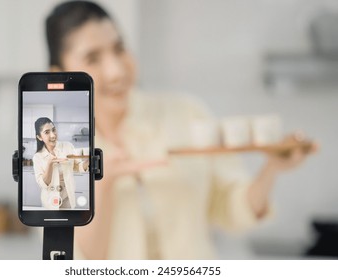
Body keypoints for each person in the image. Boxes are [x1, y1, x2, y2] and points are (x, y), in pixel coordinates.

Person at [45, 1, 317, 259]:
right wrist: (104, 185)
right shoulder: (58, 150)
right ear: (59, 73)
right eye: (93, 58)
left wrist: (271, 169)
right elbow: (83, 261)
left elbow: (230, 208)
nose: (116, 71)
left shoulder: (187, 114)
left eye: (119, 49)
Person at [32, 117, 89, 210]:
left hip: (67, 197)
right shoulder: (38, 157)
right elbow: (43, 184)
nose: (53, 135)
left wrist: (89, 160)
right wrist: (50, 164)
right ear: (39, 137)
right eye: (47, 132)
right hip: (50, 200)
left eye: (53, 130)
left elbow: (78, 167)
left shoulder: (68, 146)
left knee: (68, 223)